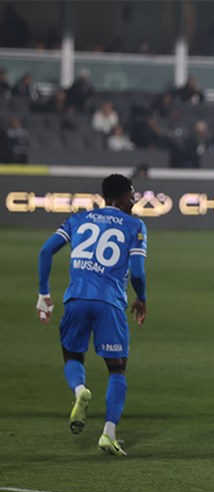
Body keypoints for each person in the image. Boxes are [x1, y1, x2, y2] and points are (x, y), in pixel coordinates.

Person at [36, 174, 148, 456]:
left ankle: (79, 390)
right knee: (117, 369)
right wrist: (142, 298)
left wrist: (43, 293)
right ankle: (109, 434)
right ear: (121, 197)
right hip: (109, 303)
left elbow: (46, 251)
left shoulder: (78, 219)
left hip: (75, 299)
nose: (134, 200)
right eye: (131, 195)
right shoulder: (135, 224)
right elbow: (138, 272)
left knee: (73, 356)